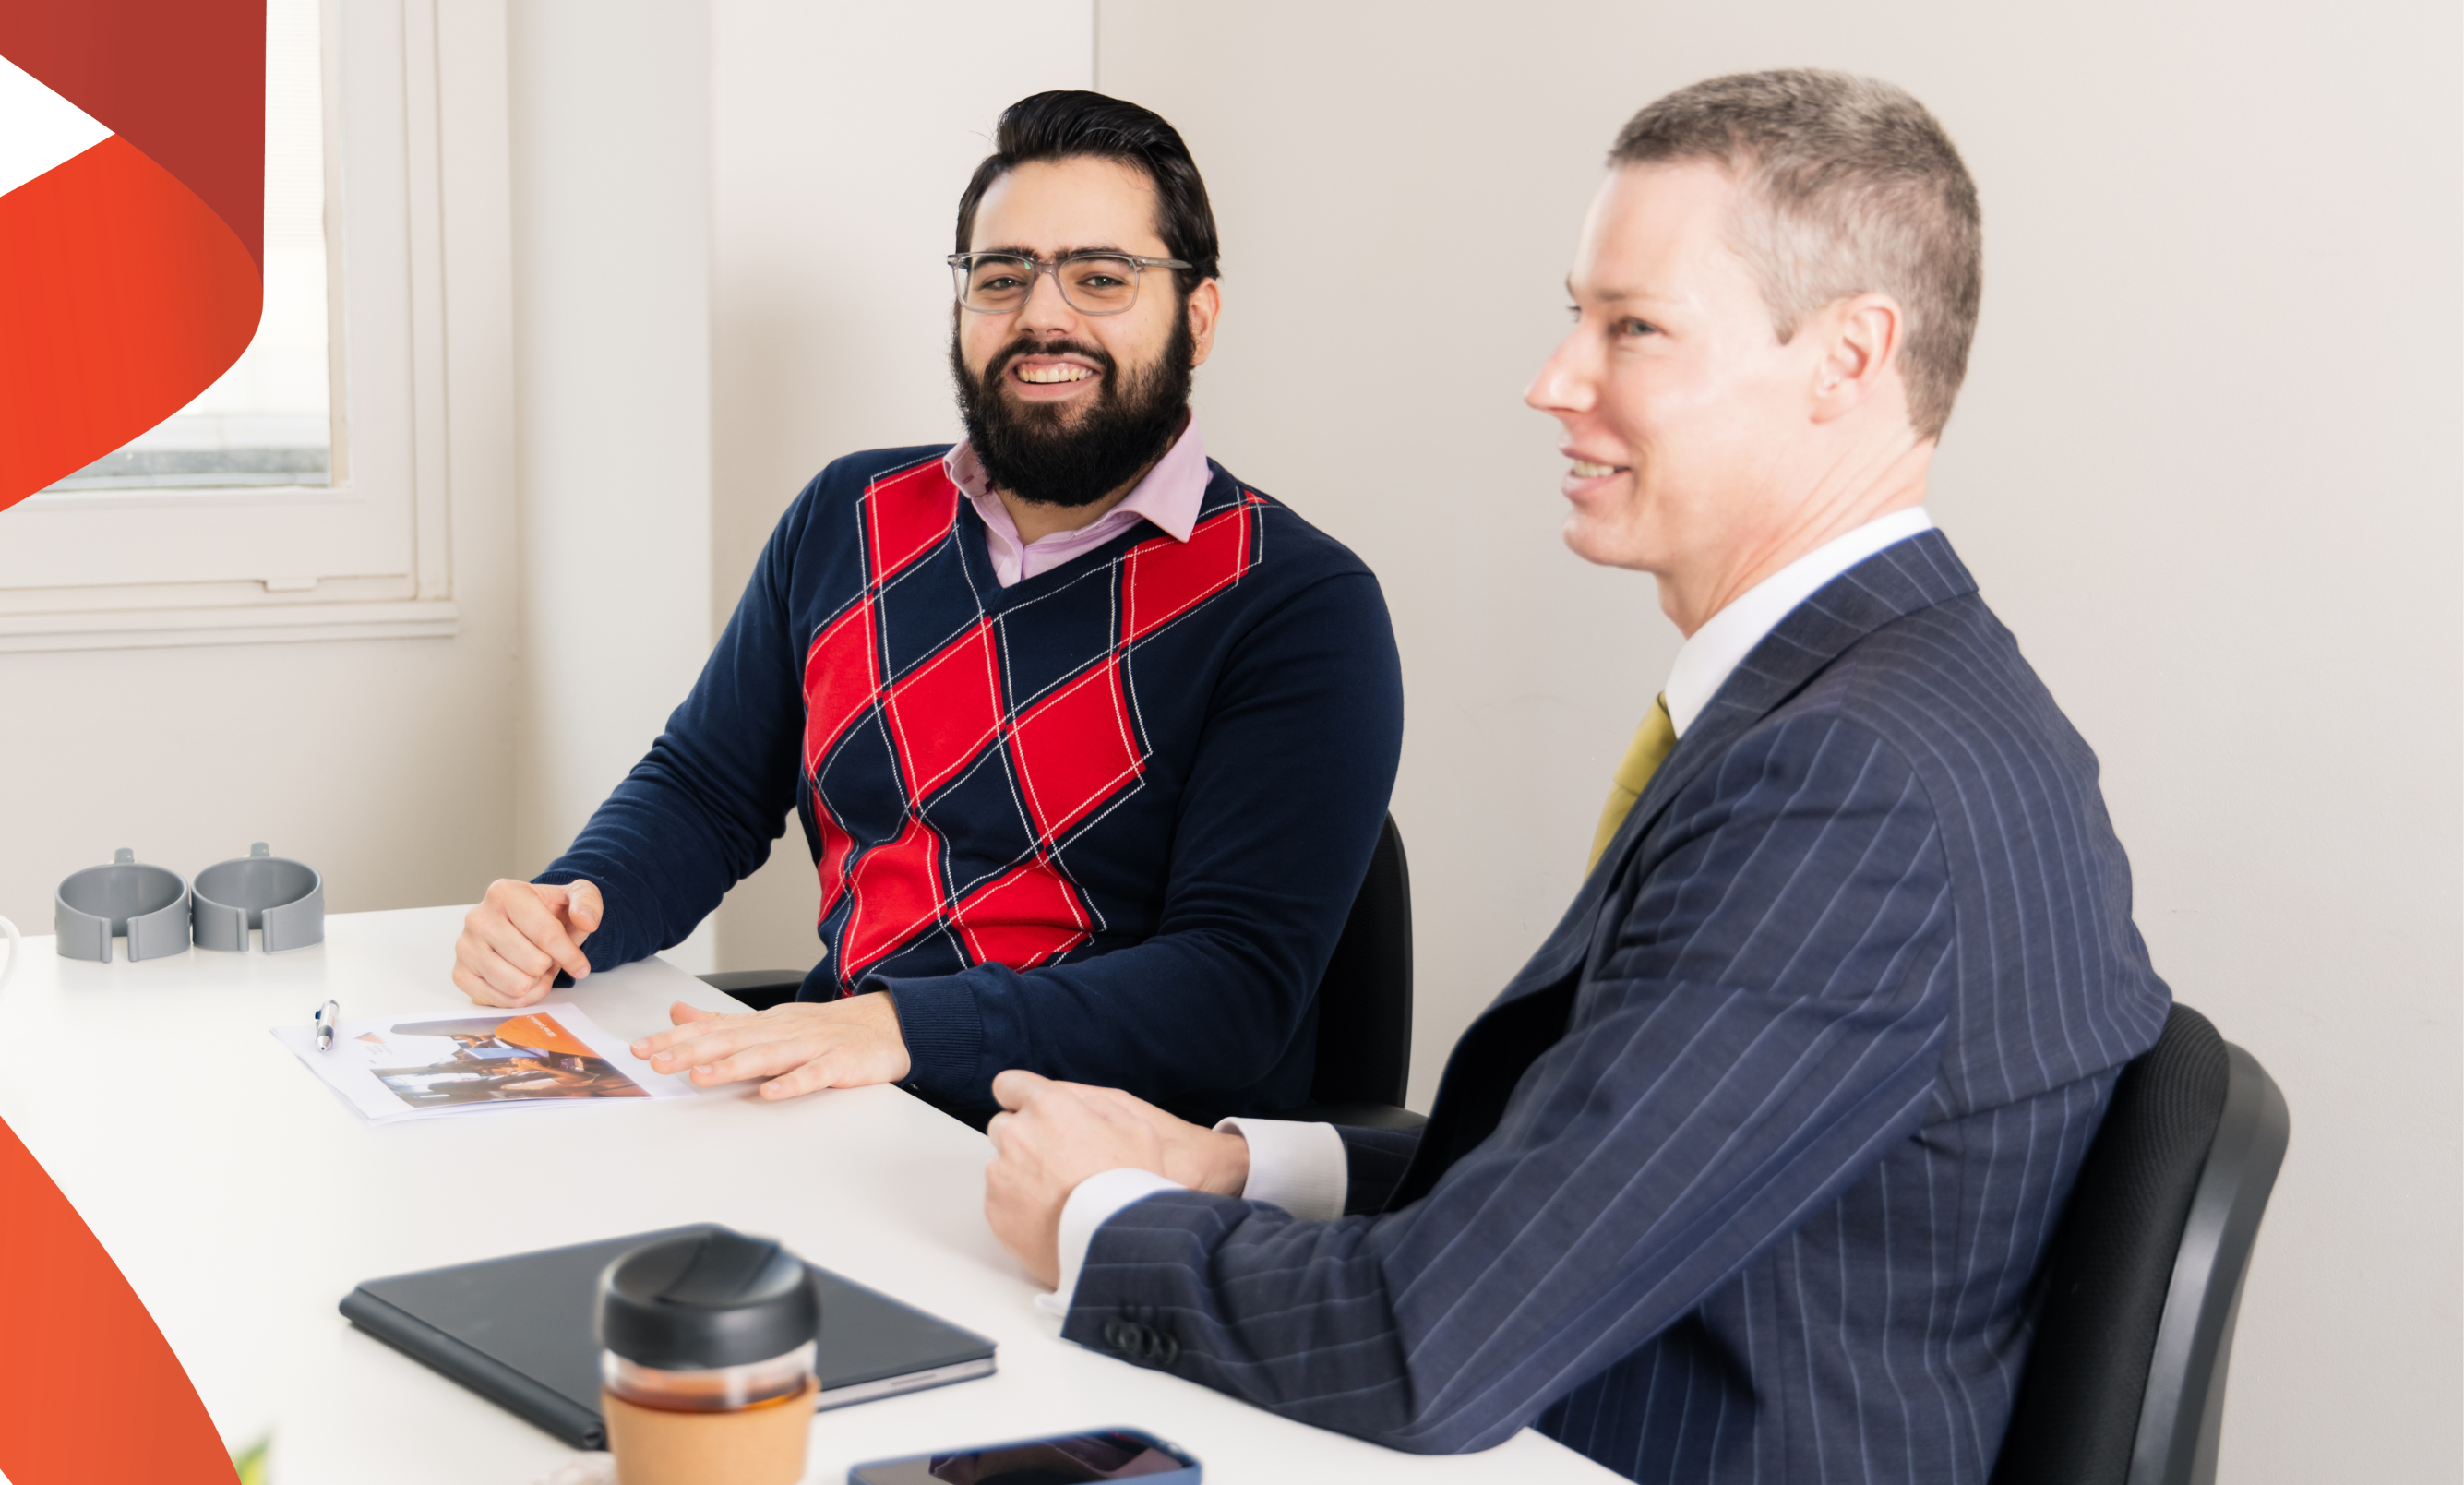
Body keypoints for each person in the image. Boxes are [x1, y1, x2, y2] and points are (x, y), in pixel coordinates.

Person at [976, 71, 2171, 1484]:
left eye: (1633, 330)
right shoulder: (1883, 702)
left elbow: (1431, 1349)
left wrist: (1100, 1222)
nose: (1554, 380)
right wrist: (1244, 1169)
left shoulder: (1849, 792)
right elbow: (1601, 1170)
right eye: (1574, 316)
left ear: (1845, 359)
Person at [450, 90, 1405, 1128]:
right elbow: (706, 788)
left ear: (1199, 317)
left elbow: (1232, 990)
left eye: (1100, 278)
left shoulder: (1298, 604)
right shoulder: (848, 515)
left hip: (1096, 1160)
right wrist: (576, 904)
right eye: (1003, 277)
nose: (1044, 315)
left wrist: (895, 1027)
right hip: (839, 1108)